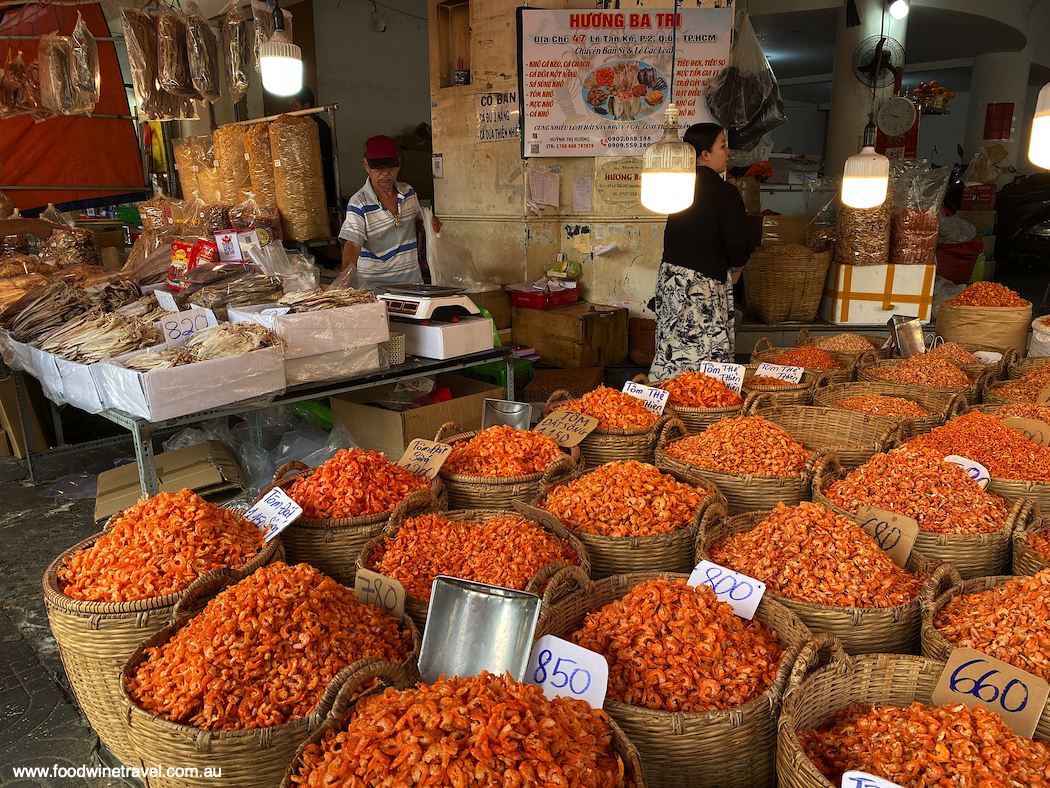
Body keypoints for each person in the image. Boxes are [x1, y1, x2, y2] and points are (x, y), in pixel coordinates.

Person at [648, 123, 749, 379]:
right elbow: (737, 242)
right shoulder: (725, 192)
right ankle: (702, 411)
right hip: (701, 283)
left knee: (671, 349)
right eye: (723, 146)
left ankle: (668, 403)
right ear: (704, 153)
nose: (728, 152)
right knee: (704, 354)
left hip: (670, 280)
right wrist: (736, 270)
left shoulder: (679, 187)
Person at [339, 134, 442, 287]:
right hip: (375, 289)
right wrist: (345, 282)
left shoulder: (408, 193)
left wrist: (428, 222)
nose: (385, 173)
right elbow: (353, 245)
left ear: (399, 164)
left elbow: (416, 223)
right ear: (366, 165)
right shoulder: (359, 203)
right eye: (378, 167)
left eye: (391, 166)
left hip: (412, 284)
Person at [288, 86, 337, 213]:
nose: (292, 110)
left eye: (294, 105)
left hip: (322, 187)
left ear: (306, 105)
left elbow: (322, 157)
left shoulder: (318, 127)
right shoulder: (298, 128)